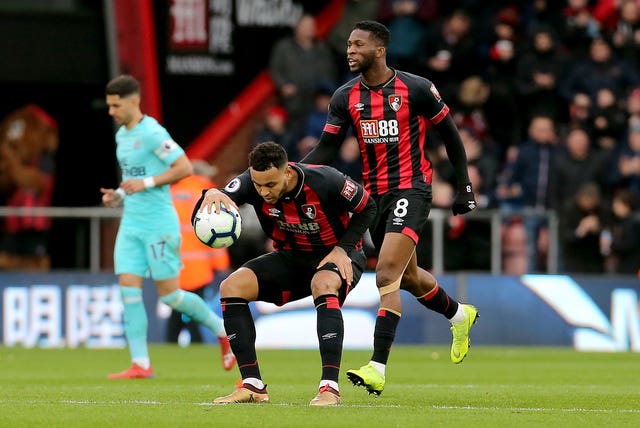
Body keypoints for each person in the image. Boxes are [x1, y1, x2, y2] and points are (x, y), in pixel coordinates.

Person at [300, 21, 478, 396]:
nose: (350, 50)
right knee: (408, 279)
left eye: (358, 44)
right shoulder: (344, 97)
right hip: (374, 197)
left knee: (386, 274)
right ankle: (461, 315)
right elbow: (327, 152)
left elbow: (451, 135)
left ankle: (377, 367)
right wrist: (293, 173)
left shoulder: (416, 88)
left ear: (379, 50)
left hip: (412, 188)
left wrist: (463, 185)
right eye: (348, 44)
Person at [196, 142, 376, 405]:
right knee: (231, 286)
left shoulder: (326, 180)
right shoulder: (251, 182)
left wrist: (342, 249)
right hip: (291, 258)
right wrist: (211, 194)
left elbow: (368, 207)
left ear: (288, 173)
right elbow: (215, 202)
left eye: (270, 185)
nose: (263, 192)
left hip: (337, 257)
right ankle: (252, 385)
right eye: (258, 185)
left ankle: (329, 389)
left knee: (323, 280)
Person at [100, 75, 231, 379]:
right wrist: (118, 195)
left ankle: (224, 334)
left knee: (171, 296)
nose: (111, 111)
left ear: (134, 101)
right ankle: (141, 363)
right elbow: (136, 177)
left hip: (158, 225)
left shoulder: (152, 133)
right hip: (131, 224)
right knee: (128, 289)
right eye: (109, 106)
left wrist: (143, 183)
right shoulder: (122, 136)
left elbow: (183, 167)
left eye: (116, 105)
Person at [168, 159, 236, 370]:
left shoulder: (171, 193)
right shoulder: (203, 193)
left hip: (173, 262)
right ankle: (191, 342)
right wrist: (221, 263)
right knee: (194, 307)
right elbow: (213, 231)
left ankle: (172, 343)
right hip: (198, 265)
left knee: (179, 306)